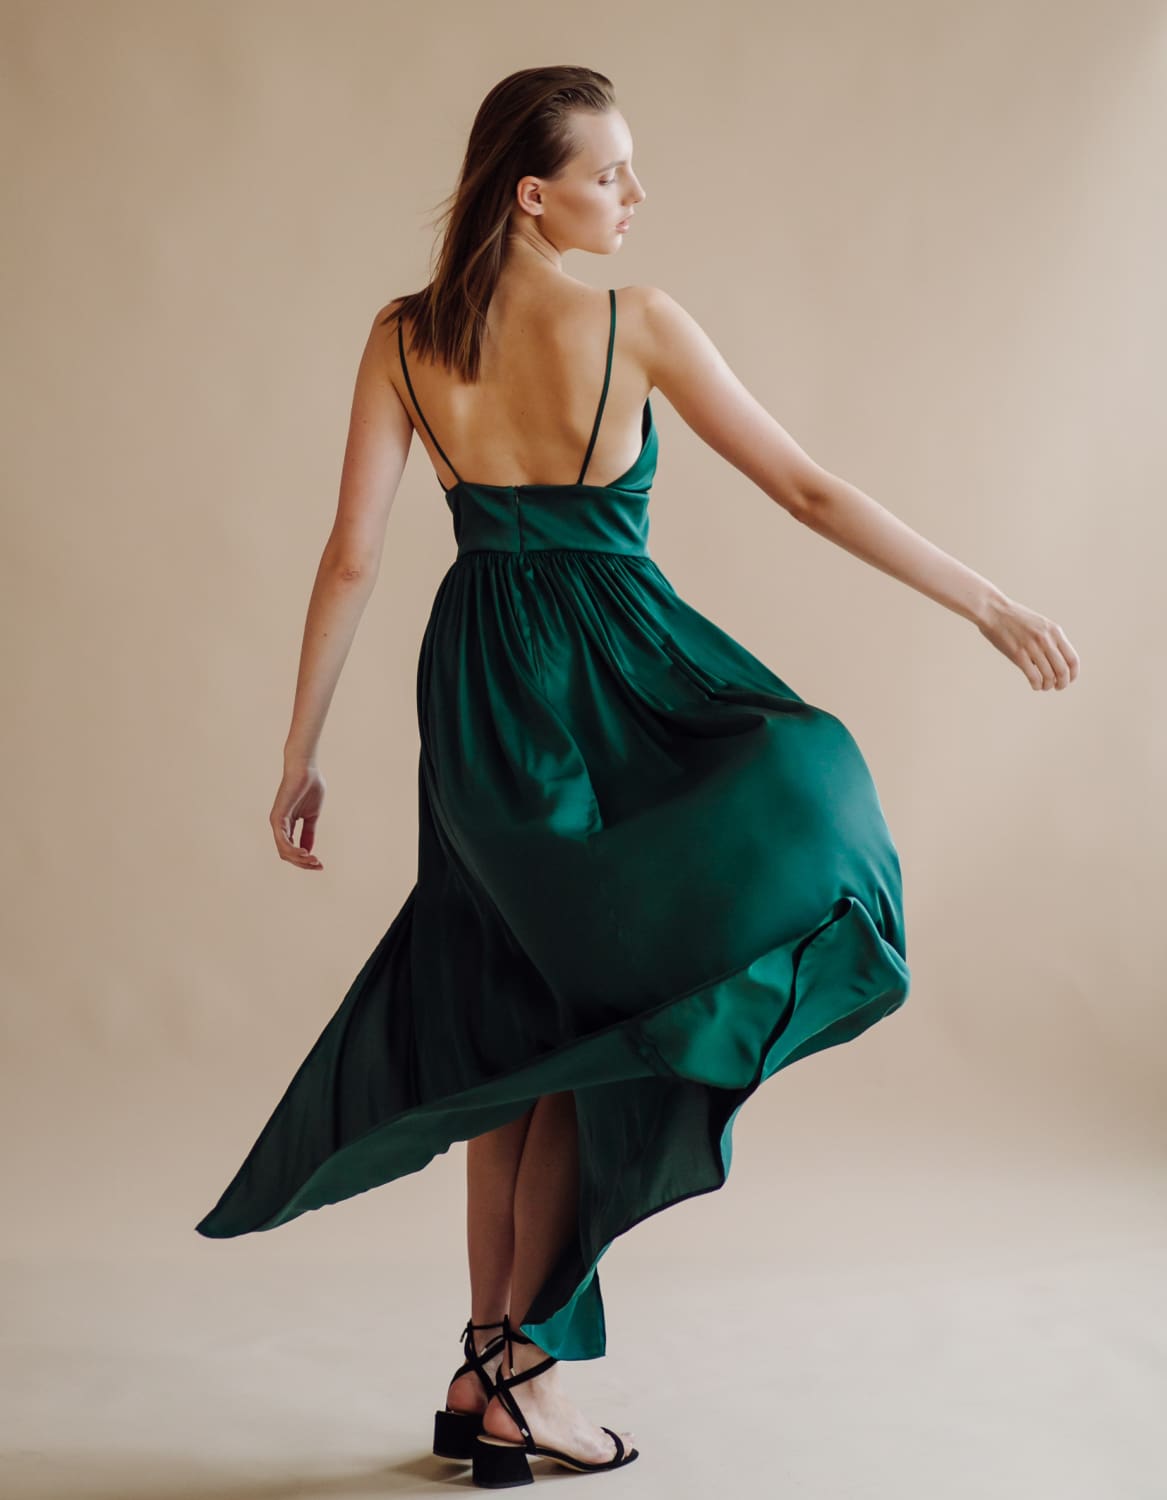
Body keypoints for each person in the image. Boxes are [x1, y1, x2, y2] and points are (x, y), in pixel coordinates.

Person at [195, 65, 1080, 1487]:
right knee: (601, 1009)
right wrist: (981, 602)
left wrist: (301, 752)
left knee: (504, 1022)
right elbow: (806, 488)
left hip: (481, 688)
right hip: (620, 678)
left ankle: (483, 1368)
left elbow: (353, 553)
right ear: (534, 192)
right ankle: (524, 1374)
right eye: (613, 173)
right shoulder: (636, 325)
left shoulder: (406, 338)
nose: (637, 195)